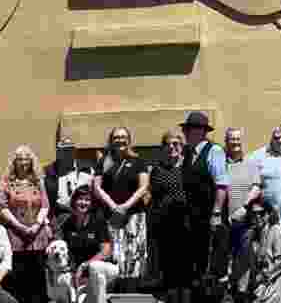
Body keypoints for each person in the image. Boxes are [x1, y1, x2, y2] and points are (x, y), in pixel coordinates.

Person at [93, 126, 150, 290]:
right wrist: (114, 207)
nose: (120, 140)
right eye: (116, 137)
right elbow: (97, 187)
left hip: (134, 217)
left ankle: (132, 293)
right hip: (112, 217)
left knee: (134, 256)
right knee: (115, 255)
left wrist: (125, 206)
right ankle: (114, 292)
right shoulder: (103, 161)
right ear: (111, 140)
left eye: (123, 137)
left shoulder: (138, 161)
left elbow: (143, 186)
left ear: (129, 140)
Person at [180, 112, 230, 293]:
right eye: (185, 129)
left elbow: (222, 185)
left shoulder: (214, 151)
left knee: (212, 264)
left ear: (201, 131)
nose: (185, 133)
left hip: (210, 216)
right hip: (193, 218)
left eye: (189, 129)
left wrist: (216, 213)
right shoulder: (187, 153)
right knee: (196, 263)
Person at [0, 145, 53, 303]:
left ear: (31, 161)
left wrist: (36, 224)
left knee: (37, 277)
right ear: (14, 162)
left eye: (26, 159)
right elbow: (2, 207)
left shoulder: (37, 181)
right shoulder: (7, 182)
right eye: (20, 159)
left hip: (37, 235)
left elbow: (45, 205)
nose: (23, 162)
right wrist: (19, 226)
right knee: (17, 277)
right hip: (15, 236)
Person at [53, 185, 119, 303]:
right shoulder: (67, 222)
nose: (83, 203)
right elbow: (60, 247)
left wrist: (85, 265)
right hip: (79, 275)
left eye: (87, 200)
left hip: (104, 270)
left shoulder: (98, 221)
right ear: (74, 201)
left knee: (95, 267)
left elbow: (106, 251)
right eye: (80, 199)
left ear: (91, 203)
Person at [147, 128, 192, 298]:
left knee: (186, 264)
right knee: (169, 264)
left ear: (182, 146)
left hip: (187, 223)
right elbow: (154, 197)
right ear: (163, 148)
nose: (172, 147)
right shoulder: (158, 170)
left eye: (176, 144)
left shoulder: (189, 167)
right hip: (166, 224)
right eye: (168, 144)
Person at [233, 197, 281, 303]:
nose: (257, 217)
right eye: (253, 213)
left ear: (268, 215)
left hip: (278, 287)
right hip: (264, 288)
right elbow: (247, 266)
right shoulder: (252, 236)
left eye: (261, 213)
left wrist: (261, 277)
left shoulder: (276, 231)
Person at [225, 128, 261, 256]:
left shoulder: (251, 162)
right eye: (232, 139)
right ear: (226, 141)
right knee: (223, 262)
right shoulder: (220, 162)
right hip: (223, 222)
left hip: (245, 221)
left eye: (238, 139)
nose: (235, 142)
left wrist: (244, 207)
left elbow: (256, 187)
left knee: (243, 260)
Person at [44, 136, 94, 218]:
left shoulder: (87, 169)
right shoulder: (49, 172)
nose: (67, 153)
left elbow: (93, 193)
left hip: (84, 214)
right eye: (63, 150)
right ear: (58, 152)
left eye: (70, 150)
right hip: (60, 215)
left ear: (74, 151)